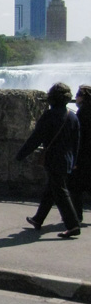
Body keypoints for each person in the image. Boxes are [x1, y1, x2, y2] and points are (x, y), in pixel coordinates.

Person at [16, 82, 82, 238]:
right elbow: (76, 143)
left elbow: (35, 139)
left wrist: (20, 155)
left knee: (60, 192)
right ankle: (38, 219)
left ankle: (73, 225)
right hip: (67, 160)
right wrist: (74, 162)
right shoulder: (72, 117)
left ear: (51, 98)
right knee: (51, 190)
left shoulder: (49, 116)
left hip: (53, 159)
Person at [69, 84, 91, 223]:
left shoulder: (82, 113)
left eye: (77, 95)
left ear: (82, 98)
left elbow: (78, 137)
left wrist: (74, 159)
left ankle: (77, 216)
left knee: (75, 188)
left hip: (83, 156)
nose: (75, 98)